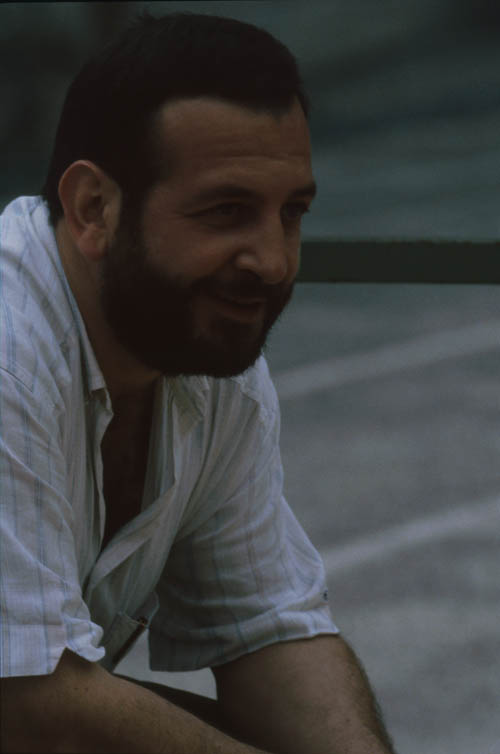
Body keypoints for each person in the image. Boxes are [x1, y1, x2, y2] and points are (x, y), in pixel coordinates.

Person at [0, 11, 396, 754]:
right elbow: (32, 707)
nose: (273, 261)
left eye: (292, 213)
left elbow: (268, 629)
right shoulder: (8, 350)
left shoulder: (205, 365)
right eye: (226, 212)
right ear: (93, 209)